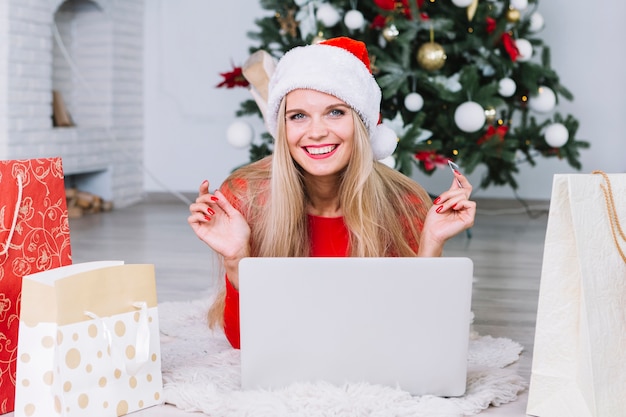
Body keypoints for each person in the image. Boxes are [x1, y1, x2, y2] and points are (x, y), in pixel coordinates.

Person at [188, 37, 476, 349]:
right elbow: (244, 343)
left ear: (361, 123)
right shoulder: (246, 196)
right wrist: (236, 259)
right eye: (298, 116)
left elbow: (416, 336)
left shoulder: (403, 203)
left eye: (335, 112)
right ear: (282, 128)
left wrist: (430, 244)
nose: (316, 131)